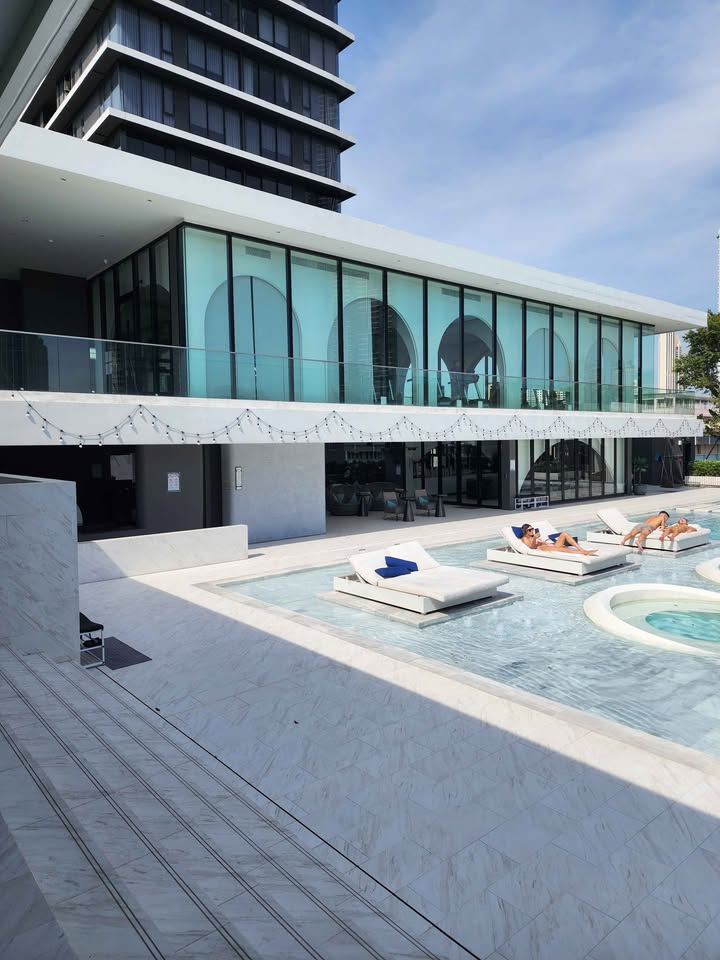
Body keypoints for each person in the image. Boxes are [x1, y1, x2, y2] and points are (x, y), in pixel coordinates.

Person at [520, 524, 597, 556]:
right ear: (525, 531)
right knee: (562, 549)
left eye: (532, 529)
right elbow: (532, 547)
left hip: (548, 545)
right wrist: (535, 538)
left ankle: (581, 549)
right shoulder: (525, 538)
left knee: (564, 533)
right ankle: (584, 553)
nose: (532, 531)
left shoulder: (533, 535)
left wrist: (538, 538)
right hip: (542, 548)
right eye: (529, 530)